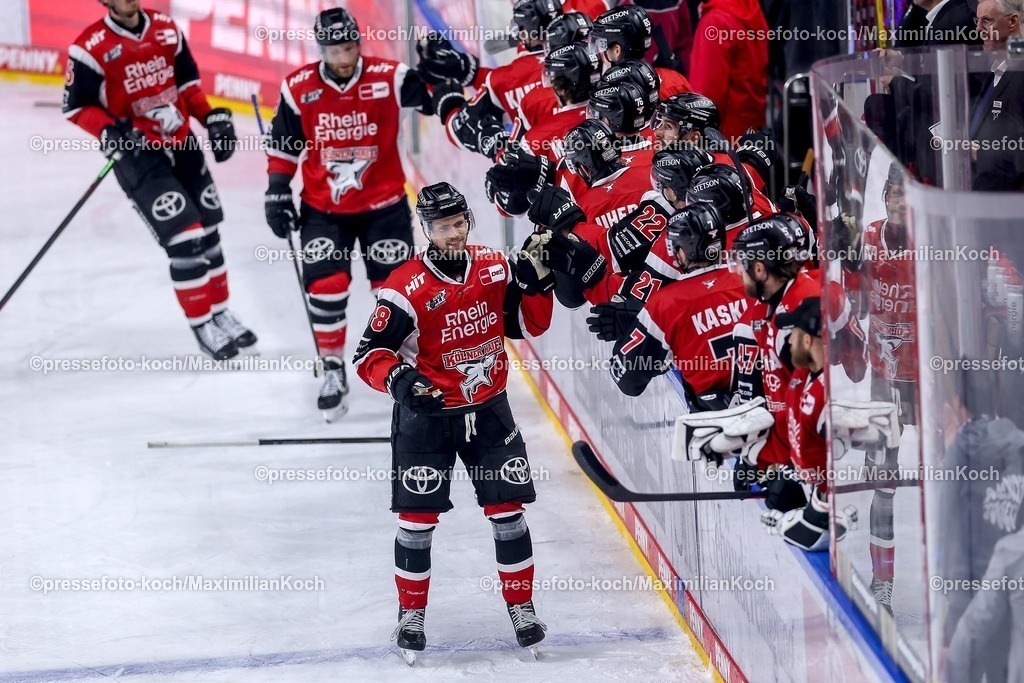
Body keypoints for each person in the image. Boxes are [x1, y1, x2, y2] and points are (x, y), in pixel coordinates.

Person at [352, 182, 554, 662]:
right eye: (443, 227)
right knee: (417, 523)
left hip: (489, 411)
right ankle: (410, 614)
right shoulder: (402, 288)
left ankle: (522, 608)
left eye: (459, 223)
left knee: (508, 515)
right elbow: (368, 356)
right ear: (425, 229)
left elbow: (528, 327)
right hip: (427, 420)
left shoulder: (493, 266)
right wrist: (402, 382)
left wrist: (541, 284)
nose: (454, 234)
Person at [264, 7, 433, 420]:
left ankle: (408, 371)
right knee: (327, 286)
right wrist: (276, 192)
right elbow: (285, 144)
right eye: (339, 47)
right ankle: (334, 369)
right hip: (324, 210)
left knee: (394, 295)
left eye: (353, 43)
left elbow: (430, 99)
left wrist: (435, 72)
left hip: (385, 209)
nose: (348, 53)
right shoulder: (298, 87)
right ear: (322, 48)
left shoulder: (387, 77)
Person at [63, 0, 255, 360]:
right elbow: (76, 107)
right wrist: (108, 131)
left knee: (210, 233)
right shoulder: (89, 47)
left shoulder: (166, 29)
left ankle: (220, 313)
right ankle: (202, 325)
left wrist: (210, 117)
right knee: (185, 239)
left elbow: (188, 87)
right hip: (139, 155)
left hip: (182, 143)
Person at [592, 203, 748, 409]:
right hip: (776, 410)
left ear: (682, 253)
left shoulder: (665, 304)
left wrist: (653, 344)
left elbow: (627, 379)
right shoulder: (757, 282)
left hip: (717, 424)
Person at [688, 0, 769, 140]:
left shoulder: (715, 22)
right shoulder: (751, 7)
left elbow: (706, 95)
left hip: (722, 141)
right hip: (751, 134)